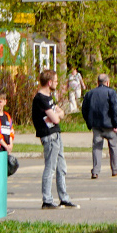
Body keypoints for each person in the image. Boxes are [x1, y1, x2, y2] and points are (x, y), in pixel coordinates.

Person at [33, 70, 77, 210]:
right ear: (49, 82)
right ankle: (47, 200)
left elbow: (60, 112)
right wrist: (57, 115)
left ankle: (64, 198)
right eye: (56, 81)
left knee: (61, 168)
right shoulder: (40, 98)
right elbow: (56, 118)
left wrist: (57, 114)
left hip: (56, 134)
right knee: (50, 168)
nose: (57, 83)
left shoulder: (49, 97)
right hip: (49, 136)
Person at [82, 72, 117, 179]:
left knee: (97, 147)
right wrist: (116, 123)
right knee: (113, 146)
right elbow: (115, 109)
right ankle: (115, 169)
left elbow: (84, 109)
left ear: (97, 82)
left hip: (96, 125)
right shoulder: (111, 92)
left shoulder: (90, 93)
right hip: (109, 125)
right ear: (107, 82)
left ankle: (95, 171)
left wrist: (89, 121)